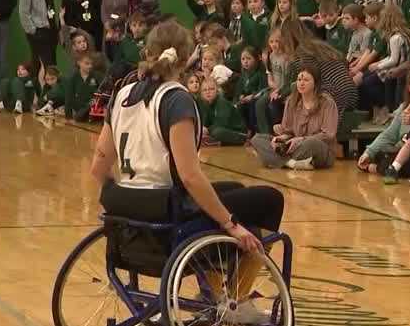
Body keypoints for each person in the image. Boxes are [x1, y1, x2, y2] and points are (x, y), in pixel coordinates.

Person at [90, 20, 284, 322]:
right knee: (269, 200)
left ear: (147, 51)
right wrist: (231, 224)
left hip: (130, 216)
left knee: (234, 189)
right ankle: (234, 298)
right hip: (168, 218)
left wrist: (124, 197)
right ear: (186, 58)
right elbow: (190, 177)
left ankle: (217, 290)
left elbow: (98, 166)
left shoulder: (122, 94)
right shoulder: (175, 98)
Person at [250, 68, 339, 170]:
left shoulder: (327, 103)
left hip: (318, 148)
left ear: (316, 83)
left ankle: (276, 160)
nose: (301, 83)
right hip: (294, 147)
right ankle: (292, 163)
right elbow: (288, 132)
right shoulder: (291, 101)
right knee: (257, 139)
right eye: (299, 80)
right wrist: (280, 138)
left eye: (306, 80)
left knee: (310, 143)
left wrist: (301, 139)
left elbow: (328, 135)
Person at [19, 0, 59, 82]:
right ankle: (42, 93)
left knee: (51, 62)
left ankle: (46, 92)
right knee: (44, 63)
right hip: (38, 31)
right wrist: (33, 31)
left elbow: (52, 7)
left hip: (51, 30)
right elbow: (24, 13)